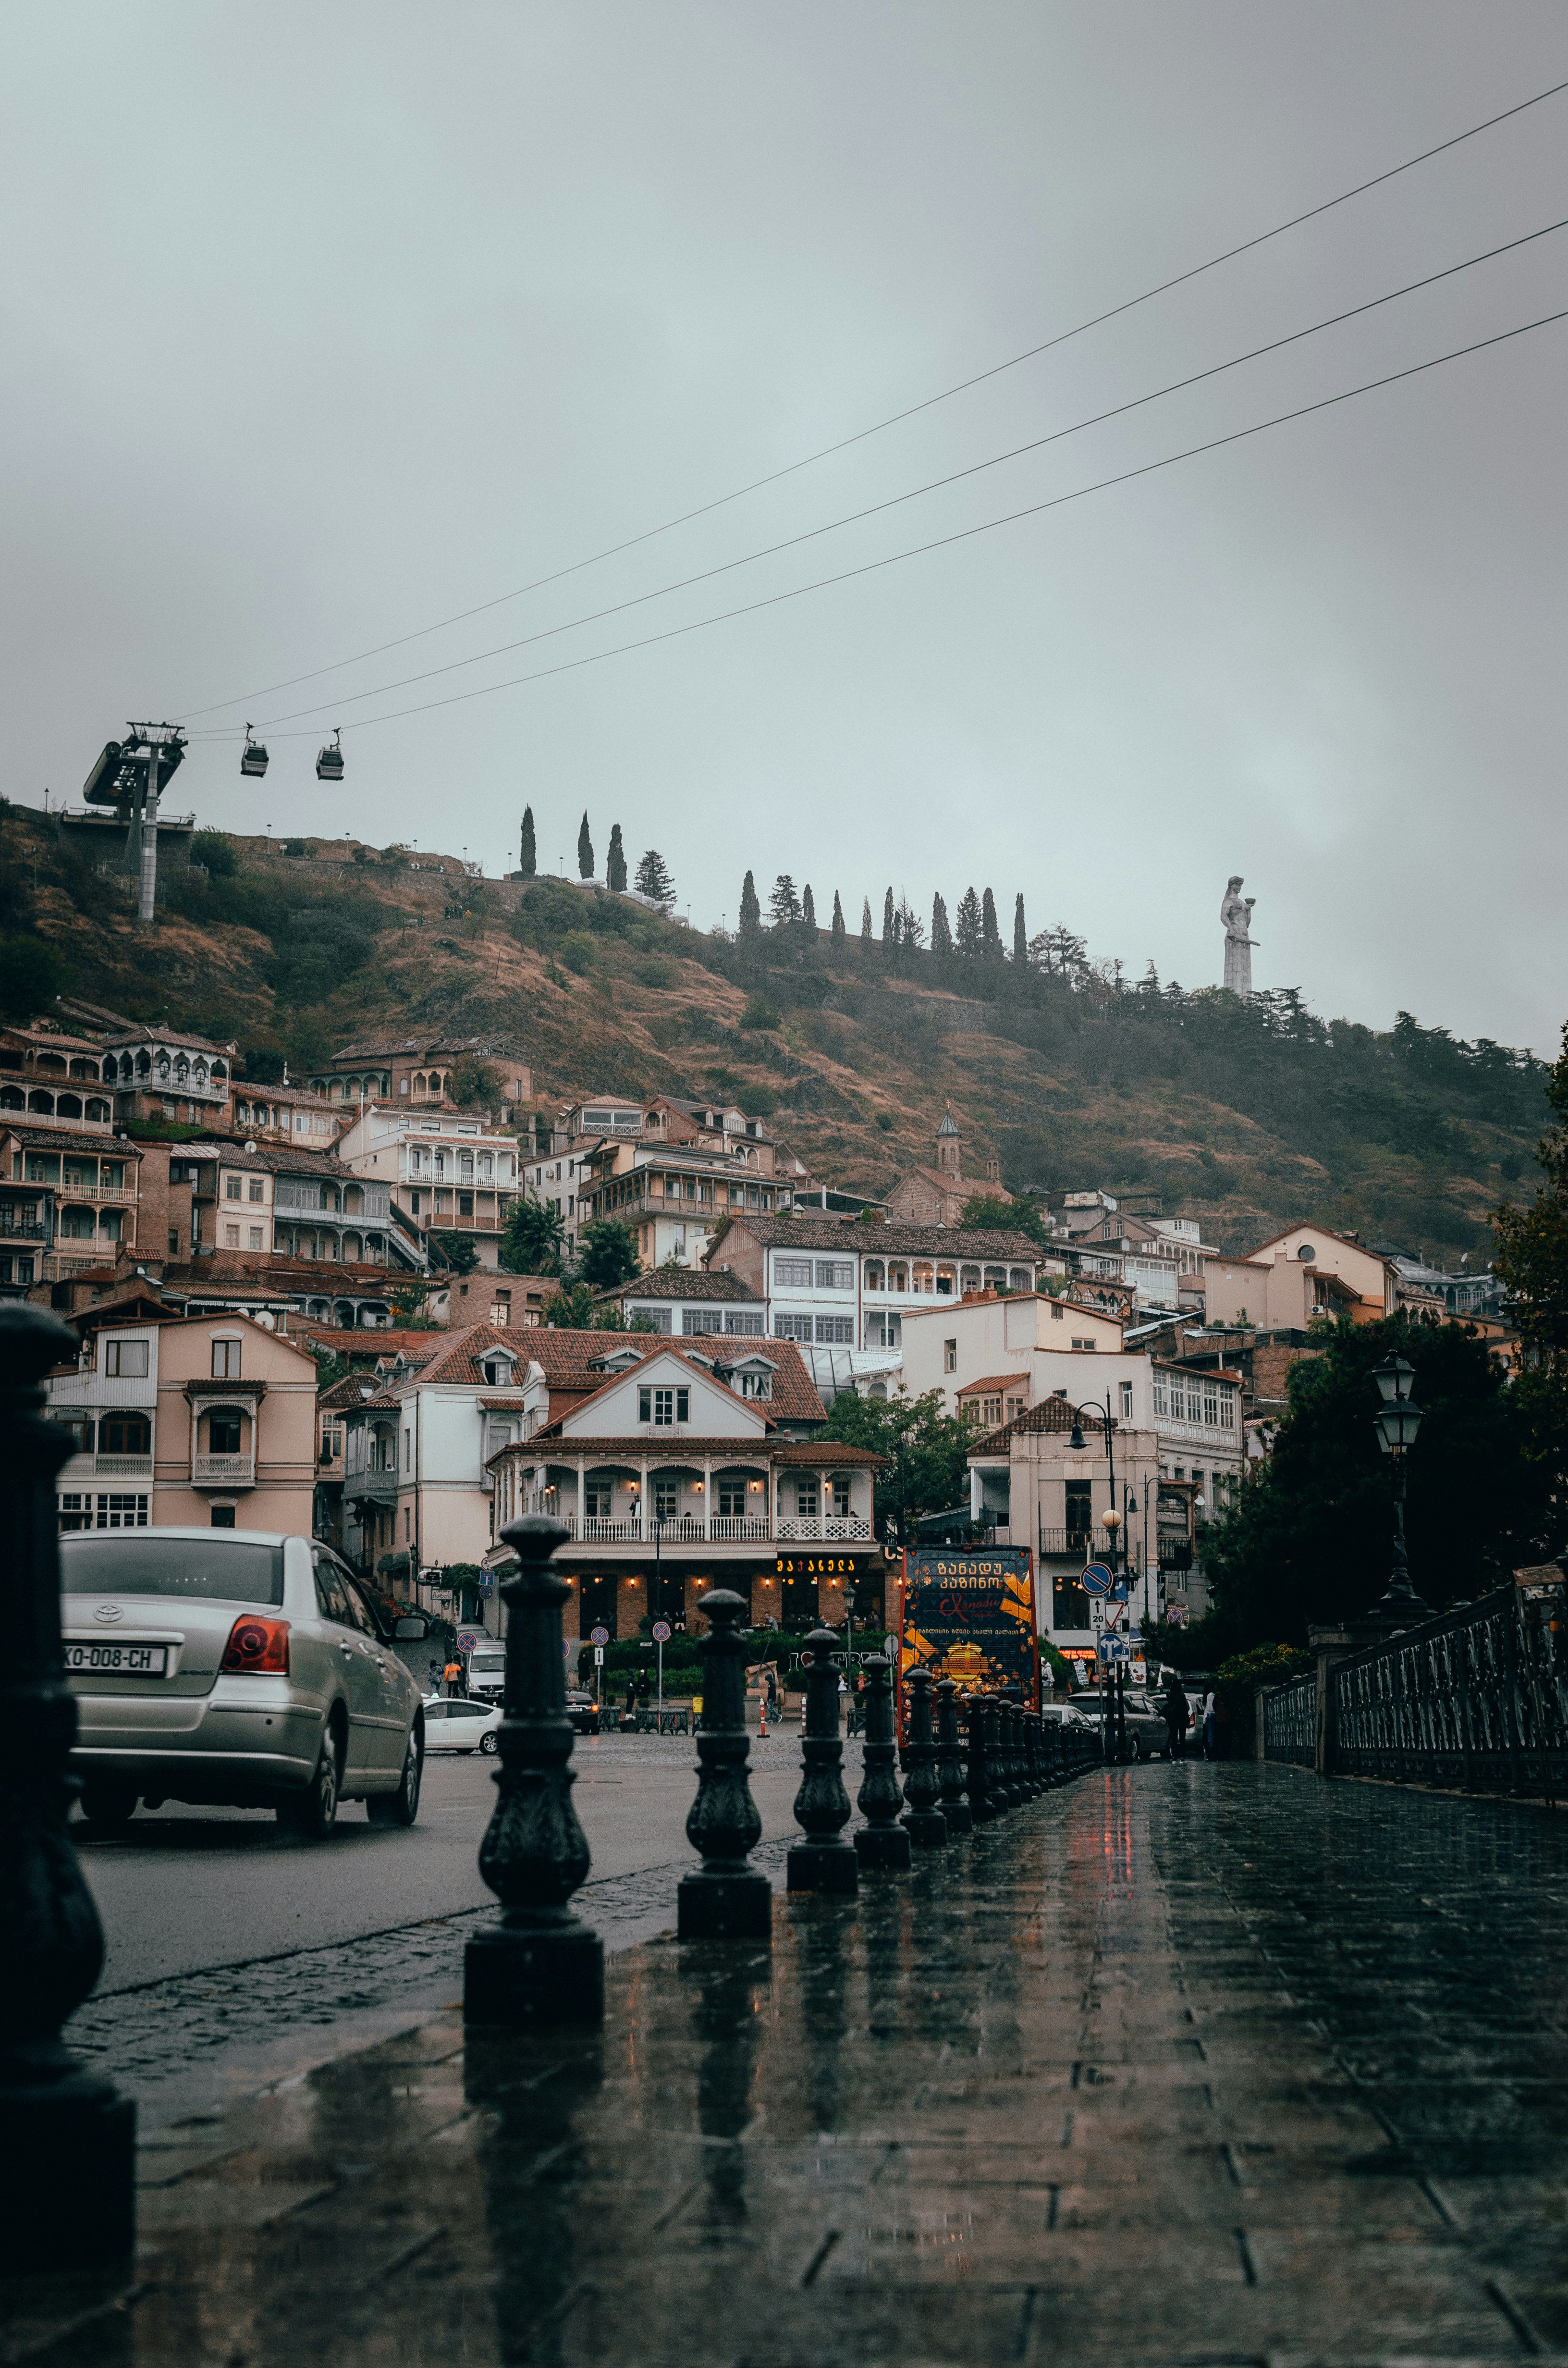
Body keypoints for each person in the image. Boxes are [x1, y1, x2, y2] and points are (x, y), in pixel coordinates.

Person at [1162, 1673, 1188, 1758]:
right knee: (1182, 1738)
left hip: (1172, 1719)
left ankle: (1174, 1755)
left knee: (1174, 1737)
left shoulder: (1169, 1695)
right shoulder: (1182, 1696)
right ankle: (1183, 1755)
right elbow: (1185, 1709)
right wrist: (1187, 1720)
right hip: (1181, 1719)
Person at [1202, 1688, 1217, 1759]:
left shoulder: (1210, 1695)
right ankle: (1211, 1755)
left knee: (1208, 1738)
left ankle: (1211, 1755)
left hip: (1209, 1719)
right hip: (1209, 1719)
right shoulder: (1211, 1695)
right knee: (1210, 1737)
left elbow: (1210, 1709)